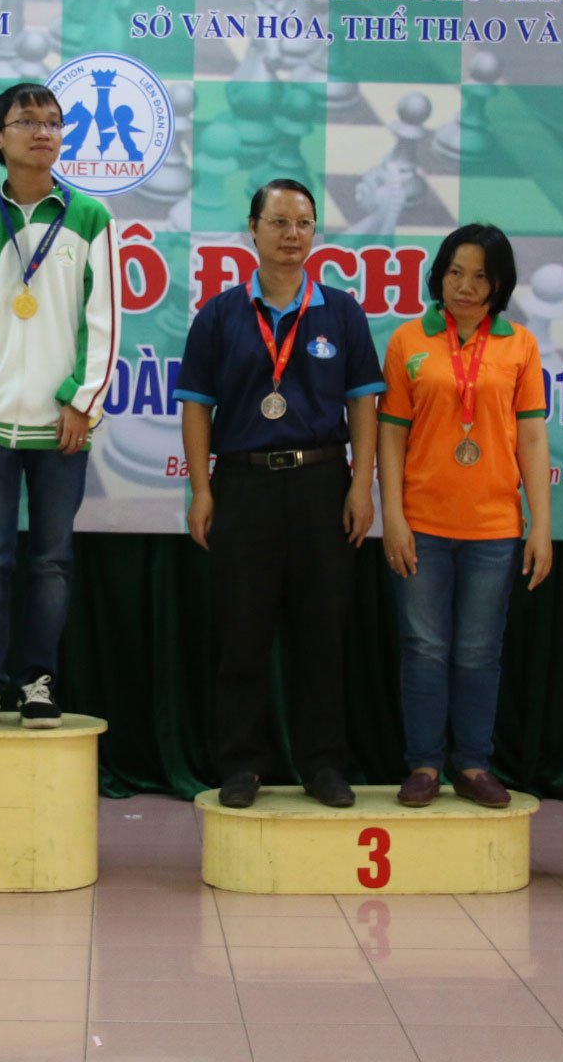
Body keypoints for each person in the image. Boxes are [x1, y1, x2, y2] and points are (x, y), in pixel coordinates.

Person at [175, 179, 383, 809]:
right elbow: (197, 407)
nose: (293, 234)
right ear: (253, 228)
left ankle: (323, 764)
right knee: (242, 633)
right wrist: (201, 490)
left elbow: (363, 404)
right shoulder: (219, 315)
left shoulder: (341, 312)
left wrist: (361, 484)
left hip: (322, 483)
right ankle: (242, 764)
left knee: (321, 632)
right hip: (244, 485)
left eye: (304, 223)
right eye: (280, 222)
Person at [0, 82, 120, 729]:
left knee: (51, 562)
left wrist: (83, 402)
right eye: (27, 121)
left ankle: (38, 680)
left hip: (62, 425)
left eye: (53, 122)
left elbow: (105, 321)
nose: (43, 132)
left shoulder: (90, 218)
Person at [377, 224, 550, 810]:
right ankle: (424, 765)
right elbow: (391, 436)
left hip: (494, 527)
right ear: (439, 275)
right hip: (422, 522)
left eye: (480, 276)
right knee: (424, 648)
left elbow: (532, 439)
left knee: (478, 651)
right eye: (455, 272)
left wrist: (541, 524)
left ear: (499, 284)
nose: (465, 286)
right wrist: (392, 517)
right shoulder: (408, 339)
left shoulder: (520, 344)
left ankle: (473, 763)